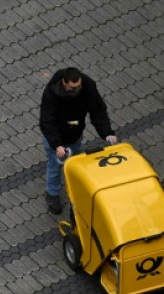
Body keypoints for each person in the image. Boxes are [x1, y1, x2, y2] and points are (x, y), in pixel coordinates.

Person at [39, 67, 117, 214]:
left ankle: (74, 190)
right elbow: (47, 121)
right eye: (72, 88)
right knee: (54, 165)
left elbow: (97, 111)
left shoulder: (88, 86)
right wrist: (57, 145)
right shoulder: (52, 93)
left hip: (75, 134)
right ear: (64, 82)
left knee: (75, 162)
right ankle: (52, 194)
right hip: (57, 138)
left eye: (78, 87)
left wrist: (106, 132)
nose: (76, 90)